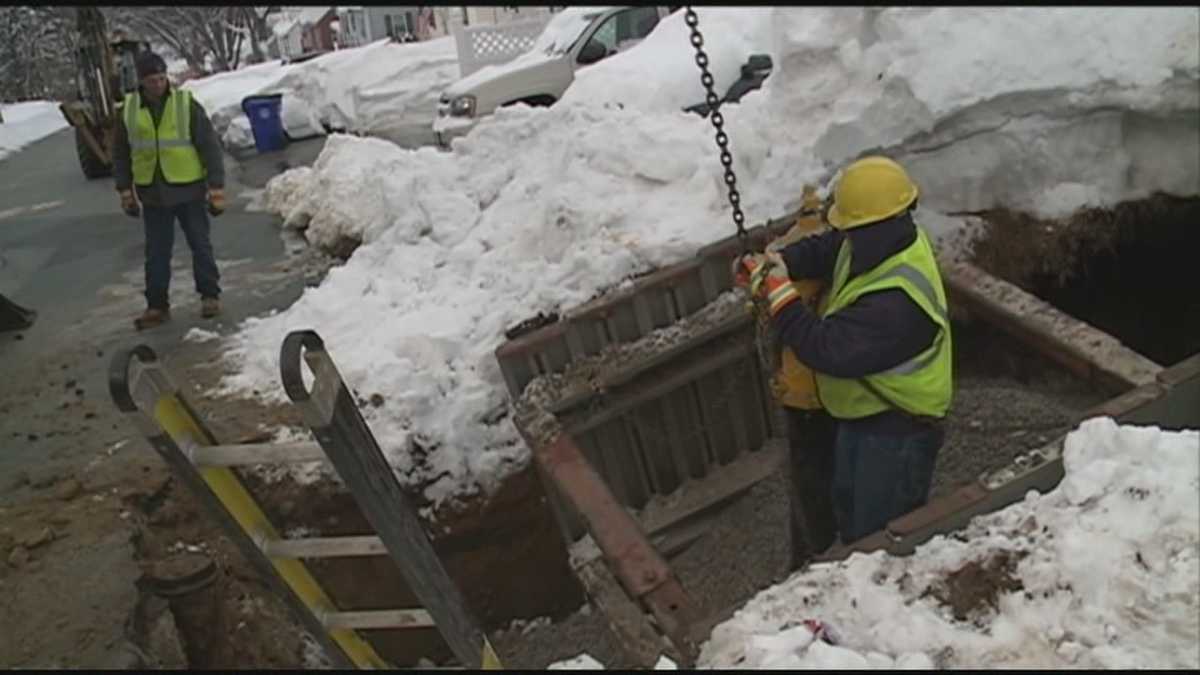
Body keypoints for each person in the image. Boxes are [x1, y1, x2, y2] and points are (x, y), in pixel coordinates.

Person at [736, 155, 953, 553]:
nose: (846, 236)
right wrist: (782, 263)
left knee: (879, 538)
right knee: (850, 510)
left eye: (852, 229)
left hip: (898, 430)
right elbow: (831, 248)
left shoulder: (898, 302)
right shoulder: (877, 241)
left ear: (878, 225)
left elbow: (825, 348)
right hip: (861, 416)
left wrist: (780, 295)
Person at [113, 51, 226, 331]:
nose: (158, 84)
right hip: (153, 193)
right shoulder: (128, 110)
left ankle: (210, 296)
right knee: (157, 252)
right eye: (152, 80)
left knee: (200, 244)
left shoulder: (185, 104)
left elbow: (209, 146)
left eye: (162, 78)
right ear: (141, 82)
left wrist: (216, 186)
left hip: (188, 188)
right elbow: (120, 153)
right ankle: (157, 305)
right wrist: (125, 190)